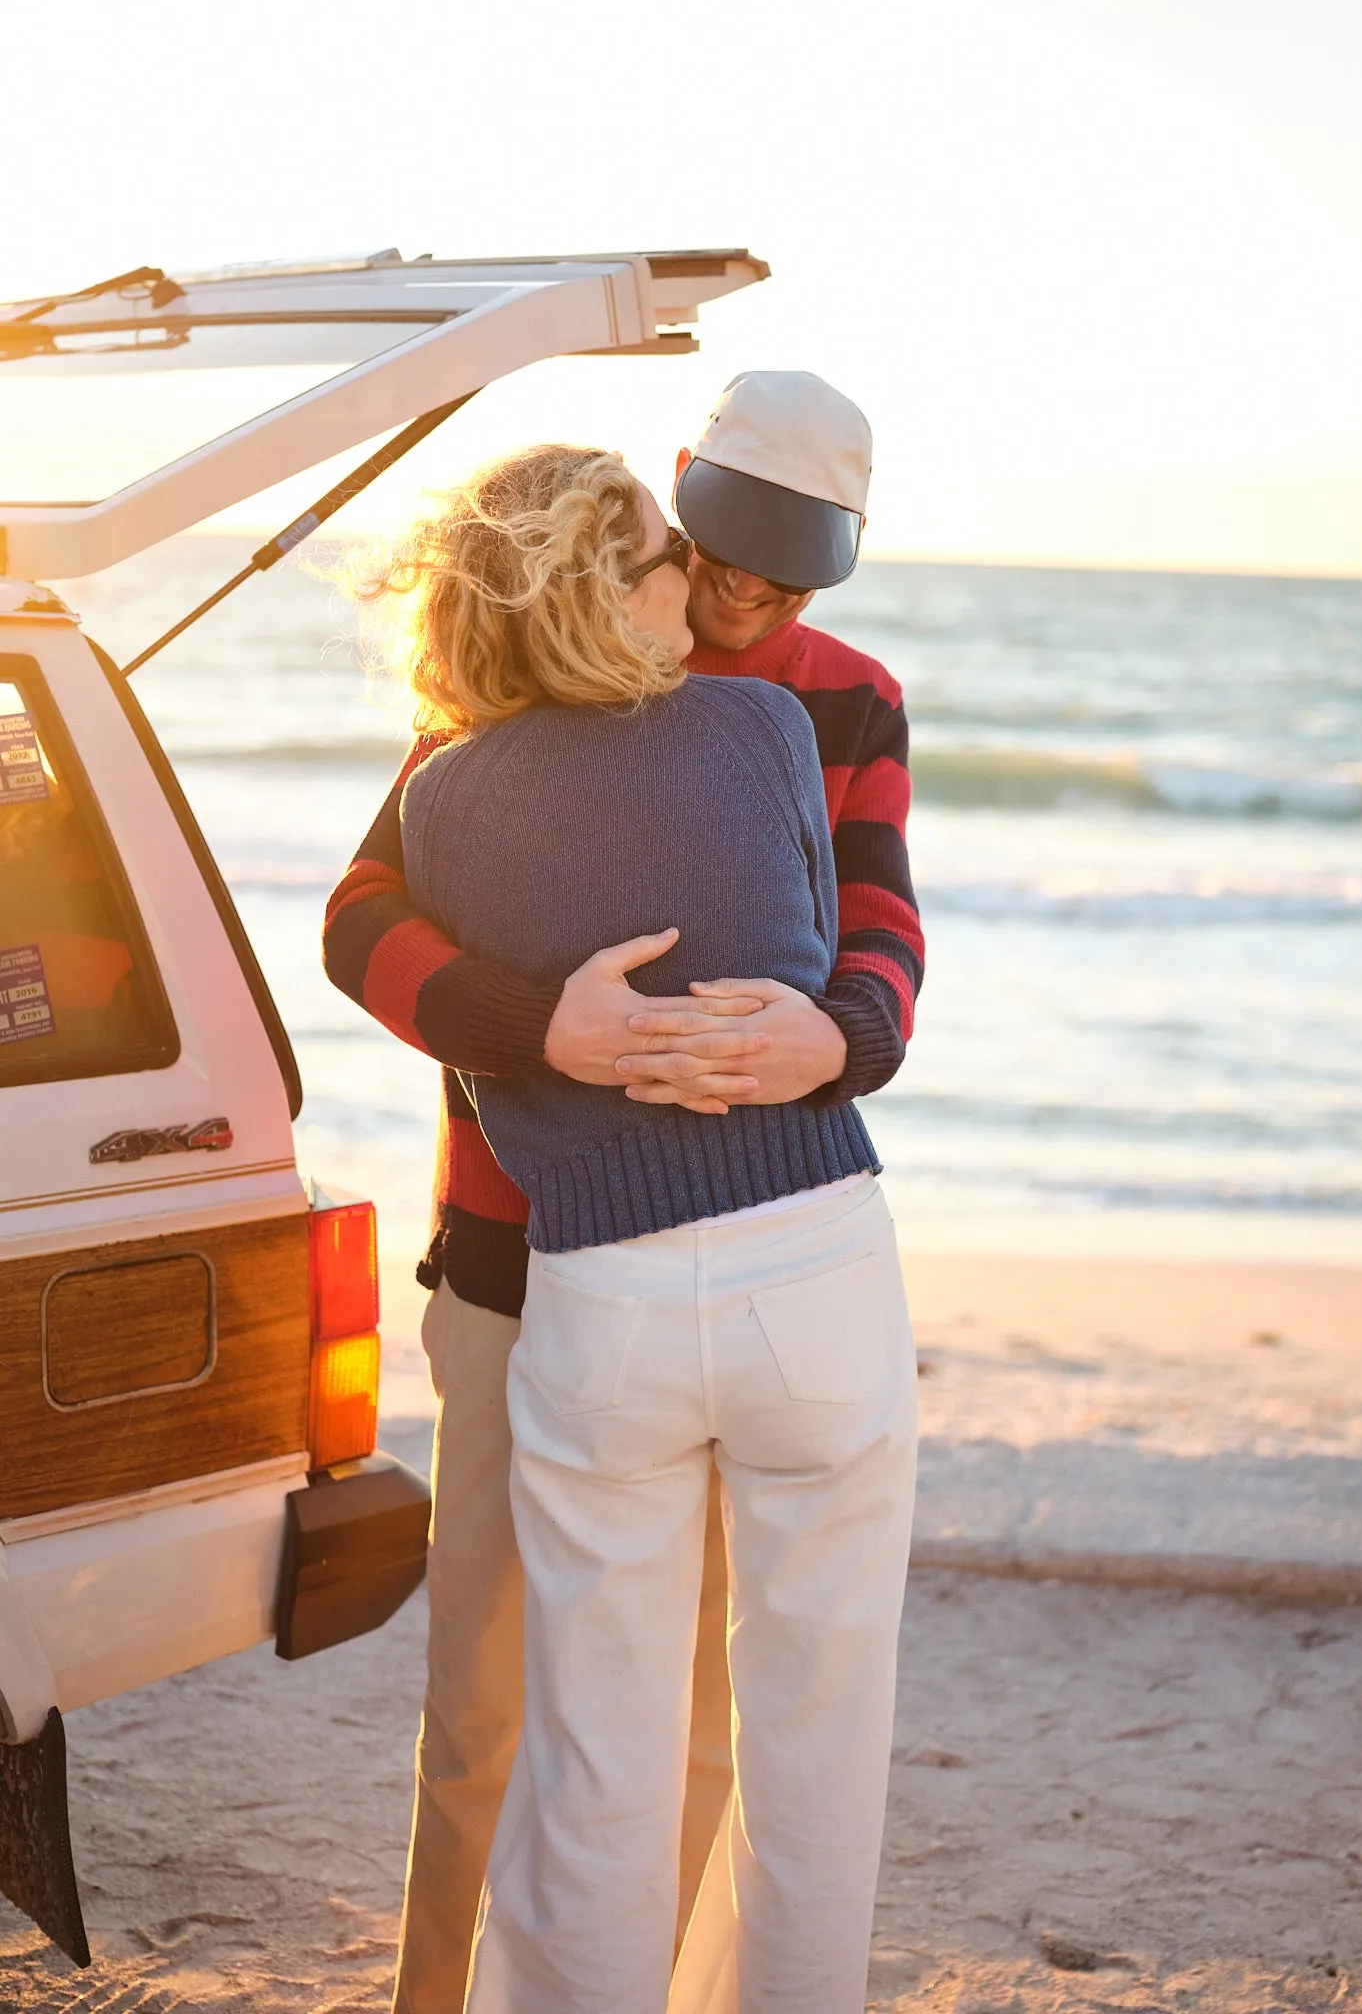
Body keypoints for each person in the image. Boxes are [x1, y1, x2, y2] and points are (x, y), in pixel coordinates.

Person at [322, 373, 924, 2014]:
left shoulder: (841, 702)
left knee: (705, 1736)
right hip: (528, 1266)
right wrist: (542, 1025)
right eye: (721, 553)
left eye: (788, 575)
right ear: (674, 500)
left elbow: (880, 926)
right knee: (492, 1714)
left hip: (745, 1234)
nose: (742, 597)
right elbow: (361, 917)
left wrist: (841, 1034)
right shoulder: (503, 689)